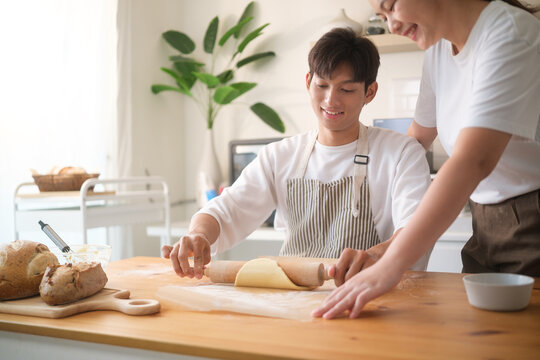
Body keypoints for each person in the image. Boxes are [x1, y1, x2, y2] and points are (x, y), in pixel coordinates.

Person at [313, 0, 540, 319]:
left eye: (391, 7)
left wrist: (392, 265)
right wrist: (385, 247)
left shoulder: (510, 33)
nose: (391, 25)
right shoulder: (439, 52)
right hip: (485, 224)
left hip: (532, 223)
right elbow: (415, 141)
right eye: (382, 16)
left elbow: (473, 161)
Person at [161, 27, 432, 282]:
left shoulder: (400, 154)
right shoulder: (280, 156)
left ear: (369, 92)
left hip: (371, 300)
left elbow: (416, 231)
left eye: (347, 90)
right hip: (295, 304)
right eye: (322, 85)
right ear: (308, 82)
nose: (331, 100)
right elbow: (225, 211)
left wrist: (376, 256)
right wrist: (198, 235)